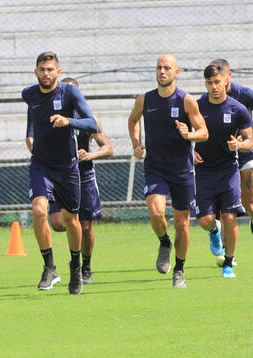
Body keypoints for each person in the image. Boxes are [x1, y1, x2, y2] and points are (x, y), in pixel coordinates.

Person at [127, 54, 208, 288]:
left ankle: (179, 270)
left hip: (182, 170)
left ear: (177, 72)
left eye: (167, 68)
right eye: (159, 68)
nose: (162, 71)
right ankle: (164, 242)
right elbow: (133, 120)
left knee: (182, 224)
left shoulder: (186, 100)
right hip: (156, 167)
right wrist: (135, 143)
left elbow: (204, 131)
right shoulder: (145, 99)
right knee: (156, 213)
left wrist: (189, 134)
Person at [23, 52, 99, 295]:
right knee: (38, 210)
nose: (46, 73)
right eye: (42, 69)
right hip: (41, 164)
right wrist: (31, 136)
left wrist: (69, 121)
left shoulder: (69, 92)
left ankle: (76, 266)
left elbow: (92, 124)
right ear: (36, 72)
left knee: (72, 221)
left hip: (67, 167)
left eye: (50, 69)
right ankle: (49, 267)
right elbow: (33, 119)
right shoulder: (29, 94)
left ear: (58, 72)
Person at [28, 77, 113, 285]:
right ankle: (53, 266)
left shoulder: (88, 119)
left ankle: (85, 267)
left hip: (83, 175)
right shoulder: (46, 113)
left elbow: (108, 148)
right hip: (55, 170)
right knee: (58, 223)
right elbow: (30, 136)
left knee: (85, 226)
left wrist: (90, 155)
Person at [194, 64, 252, 278]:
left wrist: (239, 146)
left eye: (217, 82)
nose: (214, 87)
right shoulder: (197, 106)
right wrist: (189, 154)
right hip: (203, 171)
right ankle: (214, 231)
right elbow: (180, 134)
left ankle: (228, 262)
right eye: (209, 83)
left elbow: (250, 140)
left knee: (230, 217)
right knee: (206, 221)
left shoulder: (238, 108)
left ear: (225, 80)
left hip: (228, 170)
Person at [210, 59, 253, 246]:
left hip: (246, 153)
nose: (219, 82)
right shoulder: (210, 98)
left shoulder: (245, 94)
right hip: (221, 158)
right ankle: (228, 254)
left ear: (229, 75)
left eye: (223, 76)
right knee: (226, 209)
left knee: (249, 203)